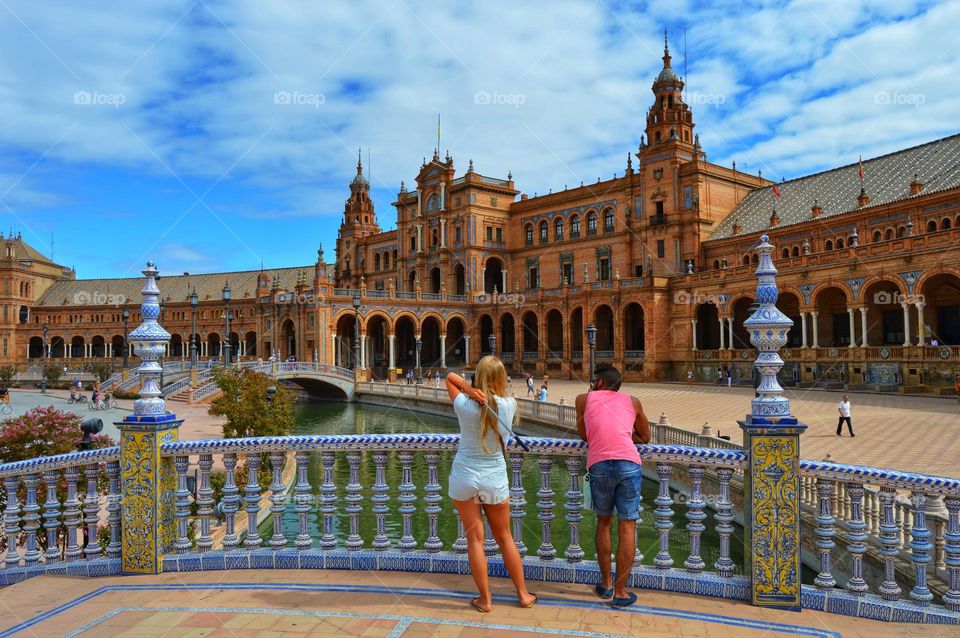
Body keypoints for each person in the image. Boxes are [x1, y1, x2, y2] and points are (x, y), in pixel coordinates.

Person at [444, 358, 536, 613]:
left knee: (475, 539)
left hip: (465, 479)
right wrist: (475, 393)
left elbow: (449, 377)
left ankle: (485, 600)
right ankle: (523, 594)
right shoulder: (509, 404)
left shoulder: (463, 404)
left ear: (479, 377)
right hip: (492, 481)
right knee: (505, 537)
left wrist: (468, 388)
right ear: (501, 378)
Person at [576, 364, 650, 608]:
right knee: (627, 526)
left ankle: (606, 584)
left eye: (593, 380)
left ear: (600, 383)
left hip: (598, 464)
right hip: (628, 463)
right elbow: (646, 437)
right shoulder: (633, 401)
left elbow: (584, 435)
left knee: (604, 522)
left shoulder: (583, 400)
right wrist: (624, 435)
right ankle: (620, 592)